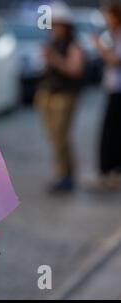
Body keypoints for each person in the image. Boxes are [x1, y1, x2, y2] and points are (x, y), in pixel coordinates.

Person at [34, 2, 84, 194]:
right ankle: (62, 173)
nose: (53, 28)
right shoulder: (53, 43)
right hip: (49, 93)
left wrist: (54, 59)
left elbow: (75, 69)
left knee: (60, 138)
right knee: (54, 138)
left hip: (64, 96)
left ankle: (66, 175)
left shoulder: (73, 45)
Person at [90, 2, 121, 191]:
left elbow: (115, 60)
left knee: (112, 133)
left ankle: (112, 170)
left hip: (119, 91)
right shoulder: (114, 34)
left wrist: (99, 46)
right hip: (113, 89)